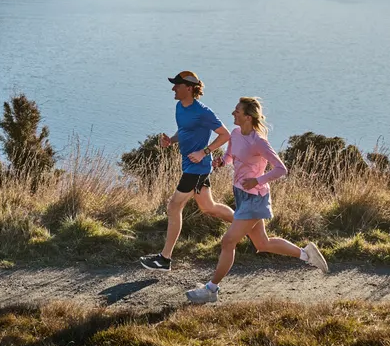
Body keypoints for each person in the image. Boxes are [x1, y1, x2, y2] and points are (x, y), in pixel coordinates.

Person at [186, 97, 327, 304]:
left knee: (228, 241)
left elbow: (281, 169)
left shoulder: (258, 142)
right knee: (262, 243)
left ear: (248, 117)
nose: (233, 113)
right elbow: (230, 156)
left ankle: (211, 289)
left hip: (255, 198)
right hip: (241, 194)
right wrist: (222, 162)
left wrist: (258, 180)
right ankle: (306, 254)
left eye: (237, 111)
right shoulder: (235, 134)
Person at [139, 70, 234, 271]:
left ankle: (164, 259)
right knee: (209, 207)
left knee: (174, 206)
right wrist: (171, 141)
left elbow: (225, 135)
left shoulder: (203, 112)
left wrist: (204, 151)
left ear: (189, 88)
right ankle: (246, 225)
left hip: (197, 167)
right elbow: (184, 131)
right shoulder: (179, 107)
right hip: (191, 166)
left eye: (177, 85)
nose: (173, 88)